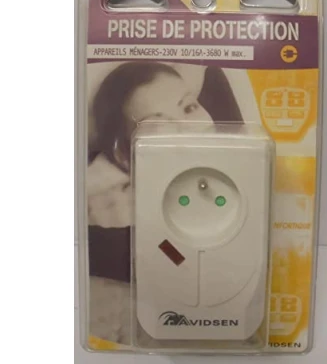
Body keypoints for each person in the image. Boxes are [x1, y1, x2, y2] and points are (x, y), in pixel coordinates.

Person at [87, 61, 243, 343]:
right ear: (125, 156)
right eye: (159, 126)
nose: (189, 128)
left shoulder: (246, 169)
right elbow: (170, 254)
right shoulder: (136, 220)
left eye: (189, 107)